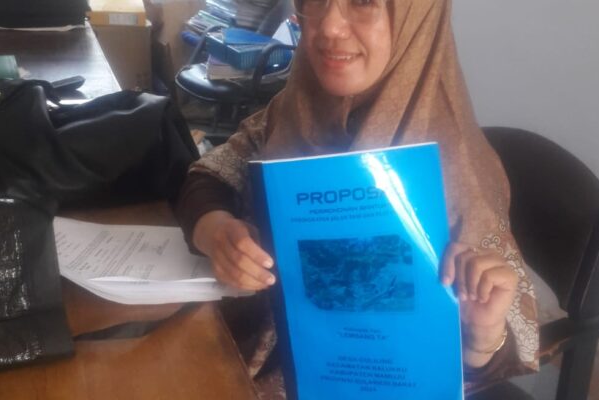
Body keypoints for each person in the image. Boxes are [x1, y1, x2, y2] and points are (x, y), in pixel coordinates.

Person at [175, 0, 539, 395]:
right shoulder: (291, 111)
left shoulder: (460, 170)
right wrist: (216, 231)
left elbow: (479, 367)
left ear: (416, 16)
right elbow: (207, 178)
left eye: (363, 1)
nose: (329, 25)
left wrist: (483, 336)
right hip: (238, 355)